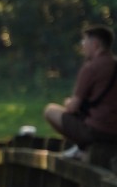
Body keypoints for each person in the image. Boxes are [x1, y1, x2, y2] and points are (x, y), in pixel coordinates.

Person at [43, 23, 117, 160]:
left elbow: (73, 107)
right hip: (114, 133)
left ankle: (82, 148)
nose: (82, 46)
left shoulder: (91, 68)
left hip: (95, 132)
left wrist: (68, 102)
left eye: (84, 42)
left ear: (95, 44)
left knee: (50, 110)